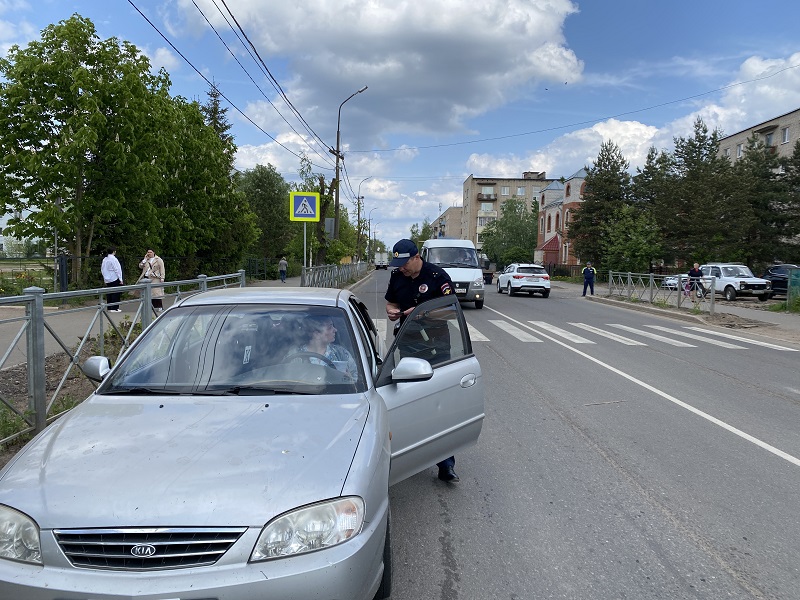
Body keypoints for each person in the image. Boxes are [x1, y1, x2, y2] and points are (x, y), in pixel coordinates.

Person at [384, 238, 461, 483]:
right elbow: (391, 300)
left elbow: (451, 310)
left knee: (440, 403)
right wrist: (391, 311)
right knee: (409, 400)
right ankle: (412, 453)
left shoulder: (437, 277)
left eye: (404, 262)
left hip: (436, 345)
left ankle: (446, 463)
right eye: (398, 263)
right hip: (408, 343)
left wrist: (421, 312)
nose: (402, 267)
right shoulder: (398, 276)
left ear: (417, 257)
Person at [288, 315, 358, 377]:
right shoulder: (295, 355)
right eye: (330, 327)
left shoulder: (341, 353)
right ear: (316, 334)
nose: (335, 330)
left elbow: (356, 377)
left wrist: (349, 379)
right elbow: (286, 378)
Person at [138, 248, 166, 313]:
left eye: (150, 252)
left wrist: (162, 277)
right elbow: (140, 266)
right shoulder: (146, 260)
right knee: (148, 293)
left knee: (156, 293)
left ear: (153, 252)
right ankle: (150, 307)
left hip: (155, 278)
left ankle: (159, 307)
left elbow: (162, 268)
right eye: (148, 252)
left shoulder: (158, 260)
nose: (149, 253)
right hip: (146, 278)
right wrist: (144, 260)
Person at [101, 247, 123, 312]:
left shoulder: (105, 259)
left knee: (109, 293)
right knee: (116, 293)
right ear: (114, 251)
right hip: (114, 277)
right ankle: (114, 307)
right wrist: (120, 278)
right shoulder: (114, 259)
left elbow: (102, 269)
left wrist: (105, 277)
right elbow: (117, 269)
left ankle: (109, 307)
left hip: (107, 278)